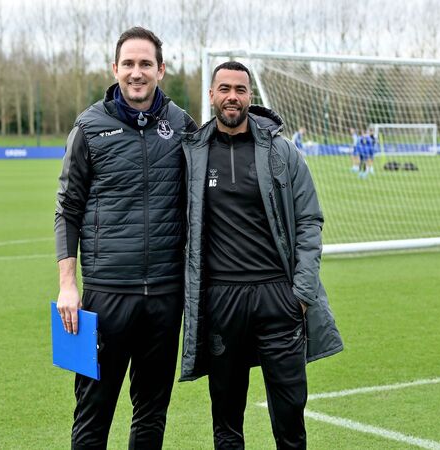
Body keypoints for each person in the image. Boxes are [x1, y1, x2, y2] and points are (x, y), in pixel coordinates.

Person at [179, 61, 343, 449]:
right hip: (223, 301)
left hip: (278, 300)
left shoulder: (283, 152)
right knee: (227, 423)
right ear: (211, 95)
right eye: (224, 89)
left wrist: (301, 295)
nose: (232, 96)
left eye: (240, 89)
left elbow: (309, 221)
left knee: (289, 421)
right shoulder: (192, 156)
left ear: (250, 96)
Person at [54, 27, 197, 449]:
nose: (137, 73)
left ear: (161, 70)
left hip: (166, 299)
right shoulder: (89, 126)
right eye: (129, 64)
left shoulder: (182, 126)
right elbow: (67, 208)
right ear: (115, 68)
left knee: (152, 416)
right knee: (92, 417)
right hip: (105, 297)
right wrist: (67, 284)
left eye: (146, 64)